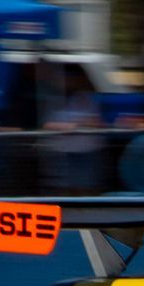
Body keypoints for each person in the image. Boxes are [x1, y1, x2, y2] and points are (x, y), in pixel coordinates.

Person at [40, 66, 104, 194]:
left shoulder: (86, 98)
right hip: (60, 151)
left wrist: (74, 125)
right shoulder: (54, 99)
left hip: (84, 151)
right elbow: (47, 124)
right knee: (61, 187)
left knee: (84, 186)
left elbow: (95, 122)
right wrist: (73, 125)